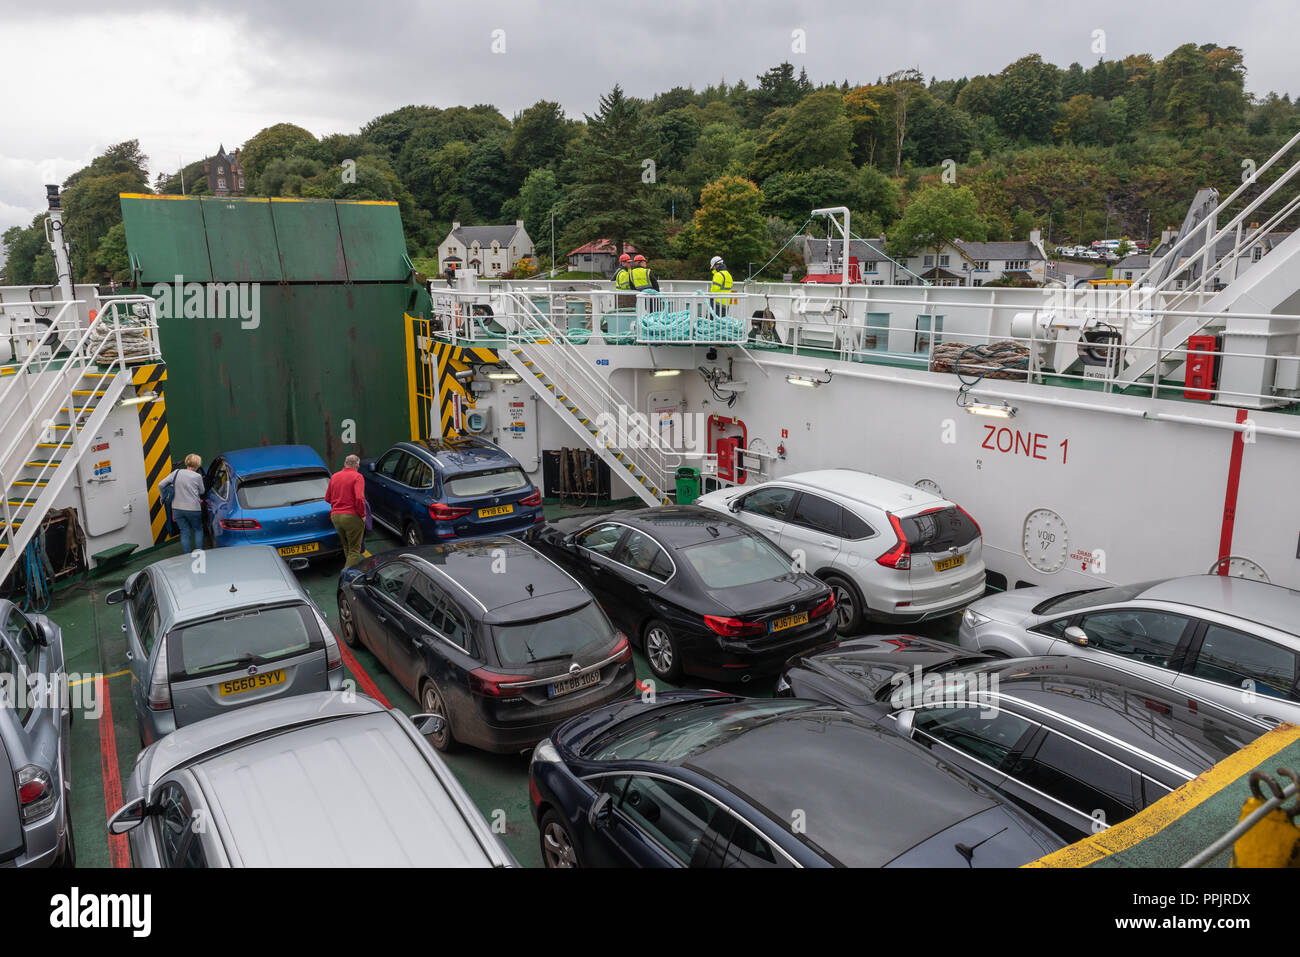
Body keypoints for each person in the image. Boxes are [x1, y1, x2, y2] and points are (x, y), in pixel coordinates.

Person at [326, 454, 368, 569]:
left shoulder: (334, 477)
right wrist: (363, 514)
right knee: (355, 549)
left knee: (347, 547)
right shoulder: (358, 477)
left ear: (345, 463)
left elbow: (327, 498)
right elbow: (359, 498)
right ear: (357, 465)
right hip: (351, 517)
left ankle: (352, 569)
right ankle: (347, 576)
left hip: (336, 517)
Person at [159, 454, 205, 554]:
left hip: (177, 509)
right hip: (193, 508)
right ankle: (199, 554)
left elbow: (161, 484)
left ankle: (187, 556)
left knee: (184, 532)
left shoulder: (176, 472)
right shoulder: (197, 476)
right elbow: (202, 491)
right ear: (197, 464)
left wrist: (162, 497)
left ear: (186, 462)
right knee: (198, 530)